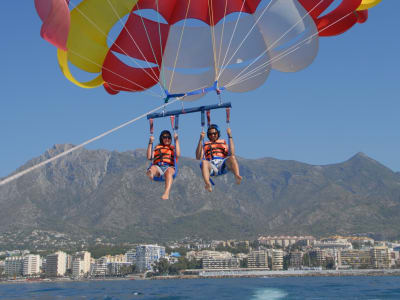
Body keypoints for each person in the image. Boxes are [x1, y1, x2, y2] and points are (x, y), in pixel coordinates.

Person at [196, 124, 242, 192]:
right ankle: (207, 183)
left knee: (232, 157)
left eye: (214, 133)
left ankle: (237, 175)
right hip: (211, 166)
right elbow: (198, 157)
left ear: (218, 133)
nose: (212, 135)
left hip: (222, 164)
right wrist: (200, 140)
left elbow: (232, 153)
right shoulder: (205, 144)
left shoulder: (223, 143)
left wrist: (230, 136)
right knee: (204, 162)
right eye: (210, 134)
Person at [147, 130, 180, 200]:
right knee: (153, 168)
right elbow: (149, 157)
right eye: (165, 137)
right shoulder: (157, 147)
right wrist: (150, 142)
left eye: (168, 137)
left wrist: (176, 140)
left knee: (169, 171)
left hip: (169, 167)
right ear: (161, 138)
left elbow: (178, 155)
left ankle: (166, 193)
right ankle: (151, 173)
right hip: (158, 166)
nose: (167, 139)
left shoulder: (173, 148)